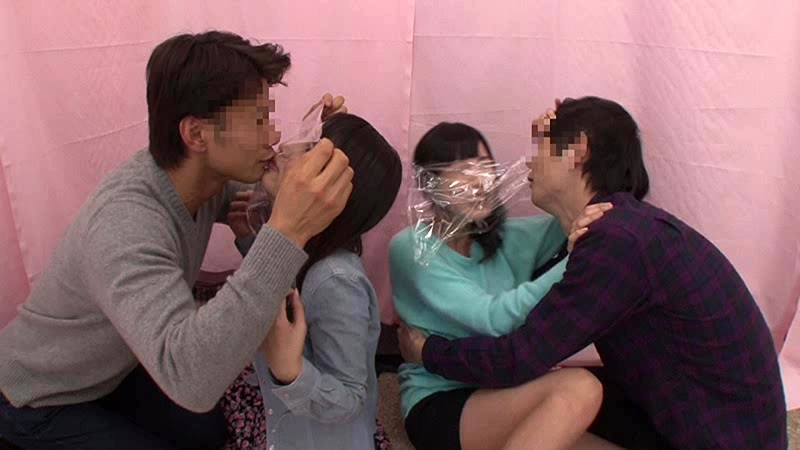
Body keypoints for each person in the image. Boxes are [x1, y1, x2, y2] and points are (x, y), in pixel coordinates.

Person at [0, 30, 352, 449]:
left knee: (206, 433)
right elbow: (193, 379)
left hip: (117, 365)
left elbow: (267, 198)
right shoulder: (125, 224)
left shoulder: (201, 178)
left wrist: (316, 143)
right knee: (197, 389)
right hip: (40, 395)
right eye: (260, 120)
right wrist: (288, 230)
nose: (273, 135)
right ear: (197, 134)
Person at [399, 97, 788, 449]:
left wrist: (427, 352)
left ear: (577, 152)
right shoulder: (622, 229)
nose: (530, 163)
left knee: (575, 391)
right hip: (715, 423)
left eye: (541, 149)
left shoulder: (617, 243)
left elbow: (520, 357)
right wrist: (557, 130)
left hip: (720, 436)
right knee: (573, 394)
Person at [390, 122, 617, 450]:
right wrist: (577, 259)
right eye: (463, 170)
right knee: (581, 387)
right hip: (442, 401)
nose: (479, 181)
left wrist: (562, 140)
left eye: (485, 167)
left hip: (504, 388)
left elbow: (581, 212)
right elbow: (493, 319)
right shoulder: (412, 246)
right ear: (430, 183)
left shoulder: (505, 238)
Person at [229, 113, 402, 449]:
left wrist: (291, 371)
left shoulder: (335, 281)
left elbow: (349, 397)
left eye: (308, 150)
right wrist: (249, 242)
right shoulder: (299, 248)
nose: (285, 147)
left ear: (334, 193)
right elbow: (280, 287)